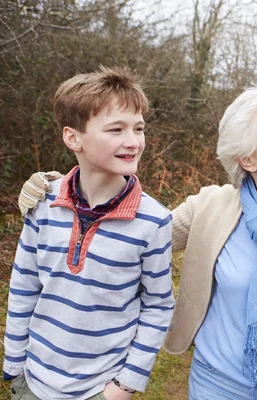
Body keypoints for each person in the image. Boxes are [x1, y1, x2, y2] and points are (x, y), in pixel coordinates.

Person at [17, 80, 257, 400]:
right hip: (212, 385)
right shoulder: (210, 207)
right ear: (247, 158)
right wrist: (57, 191)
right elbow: (124, 233)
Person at [3, 68, 175, 400]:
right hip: (32, 381)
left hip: (99, 390)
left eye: (138, 128)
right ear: (73, 138)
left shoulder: (154, 221)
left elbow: (157, 305)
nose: (133, 141)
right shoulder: (42, 201)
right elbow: (25, 284)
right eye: (116, 129)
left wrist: (125, 386)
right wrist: (14, 364)